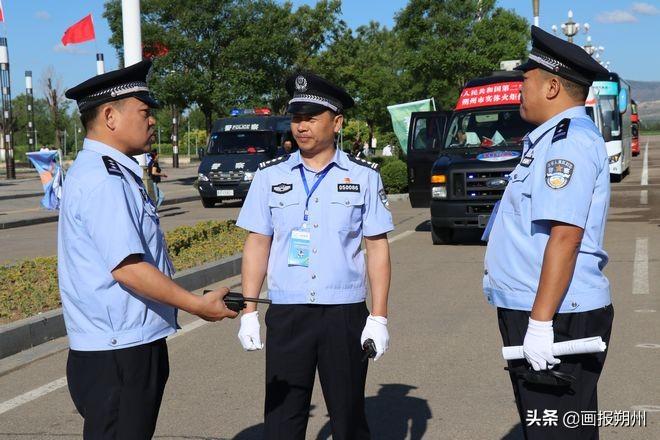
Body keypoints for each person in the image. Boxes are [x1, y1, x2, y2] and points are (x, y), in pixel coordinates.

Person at [60, 60, 237, 439]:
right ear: (110, 115)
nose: (152, 120)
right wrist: (197, 306)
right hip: (118, 353)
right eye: (144, 111)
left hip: (123, 345)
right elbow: (129, 269)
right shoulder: (103, 179)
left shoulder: (111, 171)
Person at [235, 72, 394, 440]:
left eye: (311, 117)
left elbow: (377, 247)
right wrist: (248, 312)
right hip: (289, 315)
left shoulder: (364, 177)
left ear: (336, 123)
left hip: (344, 314)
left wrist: (380, 316)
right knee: (282, 422)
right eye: (296, 118)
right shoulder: (269, 177)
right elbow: (258, 243)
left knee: (348, 418)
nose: (301, 127)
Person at [482, 26, 612, 440]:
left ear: (553, 86)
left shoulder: (566, 143)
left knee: (554, 431)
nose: (519, 88)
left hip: (555, 312)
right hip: (544, 306)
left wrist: (540, 323)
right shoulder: (547, 142)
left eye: (526, 80)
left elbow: (565, 236)